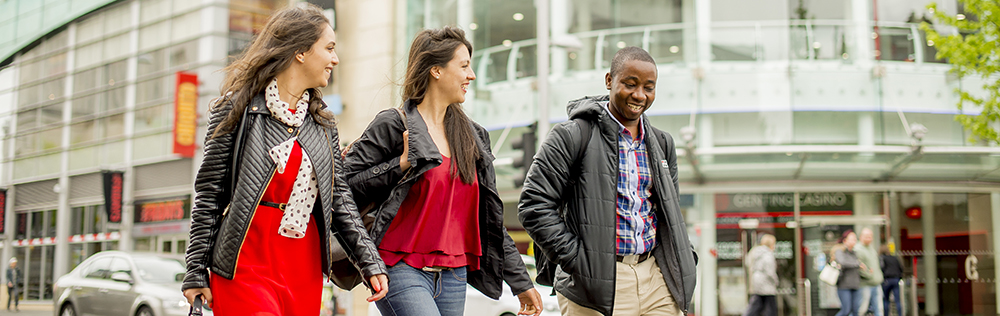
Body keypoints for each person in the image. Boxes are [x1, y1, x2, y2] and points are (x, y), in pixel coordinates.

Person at [181, 3, 388, 315]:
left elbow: (340, 201)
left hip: (302, 266)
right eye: (329, 48)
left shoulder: (322, 124)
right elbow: (209, 195)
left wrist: (369, 262)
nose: (335, 58)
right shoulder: (237, 110)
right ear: (300, 52)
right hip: (245, 261)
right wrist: (195, 269)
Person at [343, 26, 543, 316]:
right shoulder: (393, 125)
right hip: (398, 269)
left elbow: (489, 217)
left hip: (454, 275)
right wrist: (399, 165)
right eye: (463, 66)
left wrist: (520, 281)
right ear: (436, 70)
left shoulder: (473, 137)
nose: (471, 75)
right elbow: (344, 186)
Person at [518, 46, 698, 316]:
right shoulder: (571, 135)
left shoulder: (662, 143)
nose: (639, 95)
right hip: (596, 286)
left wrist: (685, 257)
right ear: (609, 80)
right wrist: (580, 261)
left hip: (656, 280)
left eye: (649, 87)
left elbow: (668, 214)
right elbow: (533, 205)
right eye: (630, 84)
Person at [744, 234, 777, 316]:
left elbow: (747, 263)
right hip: (766, 283)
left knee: (757, 303)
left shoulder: (755, 252)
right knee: (770, 306)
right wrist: (776, 281)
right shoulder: (768, 254)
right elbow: (770, 271)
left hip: (756, 281)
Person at [833, 231, 864, 316]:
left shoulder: (854, 253)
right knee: (846, 310)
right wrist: (857, 264)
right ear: (845, 240)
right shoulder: (840, 251)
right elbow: (843, 262)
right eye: (852, 239)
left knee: (855, 311)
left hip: (856, 285)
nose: (854, 240)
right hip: (844, 286)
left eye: (855, 239)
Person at [856, 228, 884, 316]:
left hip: (876, 284)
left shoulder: (871, 249)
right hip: (865, 285)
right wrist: (869, 275)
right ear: (861, 237)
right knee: (861, 309)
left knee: (879, 309)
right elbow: (858, 267)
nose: (869, 238)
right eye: (867, 236)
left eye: (870, 236)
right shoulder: (858, 249)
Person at [880, 245, 904, 316]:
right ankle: (900, 314)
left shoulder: (883, 258)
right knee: (898, 300)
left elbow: (882, 268)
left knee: (886, 300)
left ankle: (886, 314)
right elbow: (901, 268)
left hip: (887, 280)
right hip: (896, 279)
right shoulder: (895, 258)